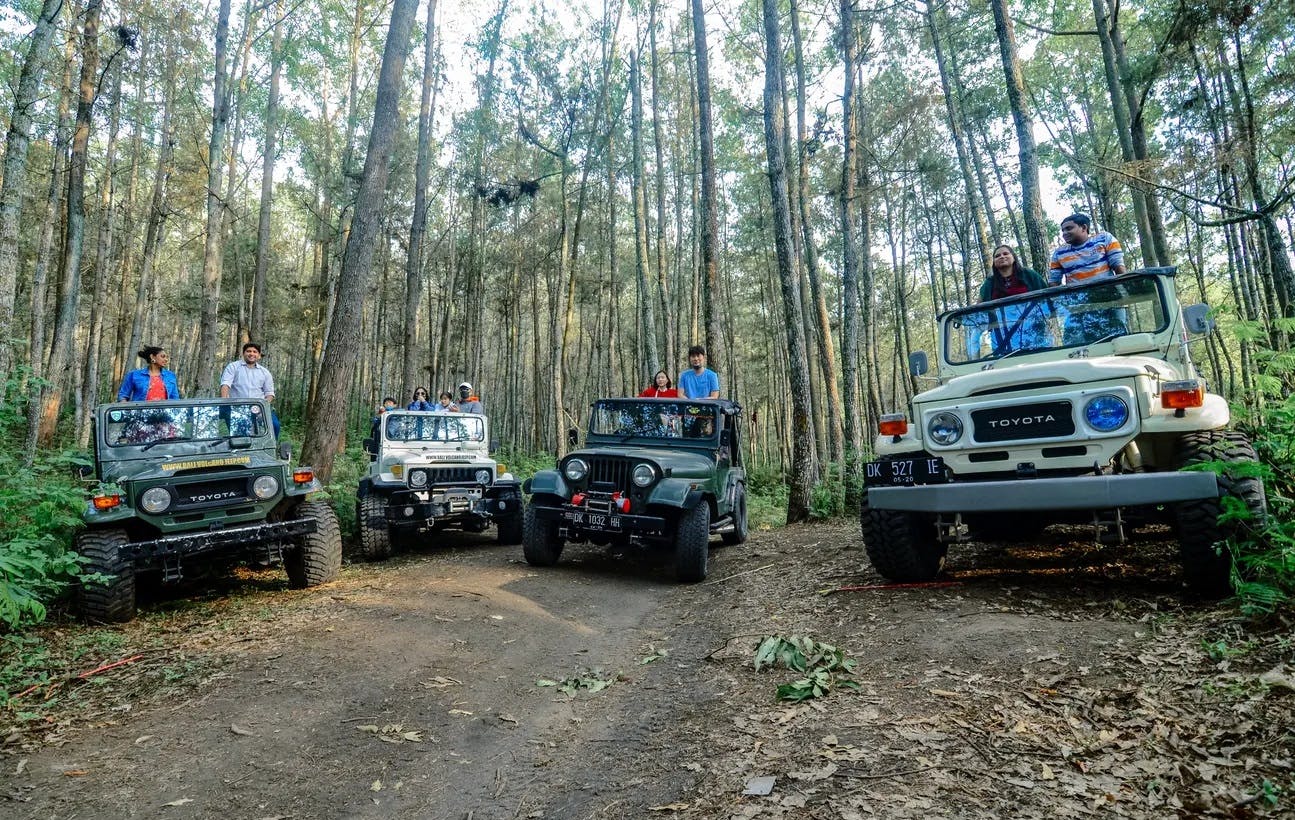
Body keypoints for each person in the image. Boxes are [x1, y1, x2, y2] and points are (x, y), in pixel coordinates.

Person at [1047, 213, 1126, 287]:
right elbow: (1054, 281)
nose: (1064, 233)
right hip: (1078, 298)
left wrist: (1125, 290)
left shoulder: (1104, 238)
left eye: (1069, 228)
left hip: (1109, 292)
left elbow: (1118, 266)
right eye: (1063, 230)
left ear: (1084, 228)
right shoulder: (1059, 253)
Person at [220, 342, 278, 436]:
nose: (251, 354)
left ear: (259, 355)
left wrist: (262, 408)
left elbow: (269, 393)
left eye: (255, 352)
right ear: (243, 353)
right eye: (248, 351)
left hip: (258, 407)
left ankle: (271, 449)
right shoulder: (233, 367)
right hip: (237, 407)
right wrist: (225, 403)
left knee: (275, 425)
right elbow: (225, 384)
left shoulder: (265, 372)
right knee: (240, 433)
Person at [979, 245, 1047, 302]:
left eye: (1005, 254)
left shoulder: (1029, 274)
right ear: (994, 262)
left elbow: (1047, 297)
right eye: (997, 256)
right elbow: (979, 308)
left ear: (1014, 258)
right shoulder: (989, 283)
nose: (1002, 257)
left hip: (1032, 316)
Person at [117, 345, 181, 401]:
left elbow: (175, 398)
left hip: (165, 413)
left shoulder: (170, 375)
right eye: (163, 356)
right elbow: (123, 396)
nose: (166, 359)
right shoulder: (134, 375)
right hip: (140, 413)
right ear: (152, 357)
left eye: (167, 357)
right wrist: (127, 410)